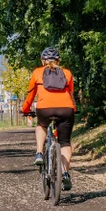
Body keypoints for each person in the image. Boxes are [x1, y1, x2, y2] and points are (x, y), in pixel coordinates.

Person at [22, 47, 75, 191]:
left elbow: (30, 95)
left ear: (42, 60)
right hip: (66, 109)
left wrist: (25, 110)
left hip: (44, 109)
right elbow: (70, 93)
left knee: (41, 125)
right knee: (64, 142)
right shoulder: (67, 73)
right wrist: (72, 109)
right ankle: (64, 173)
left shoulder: (37, 72)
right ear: (58, 60)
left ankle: (39, 152)